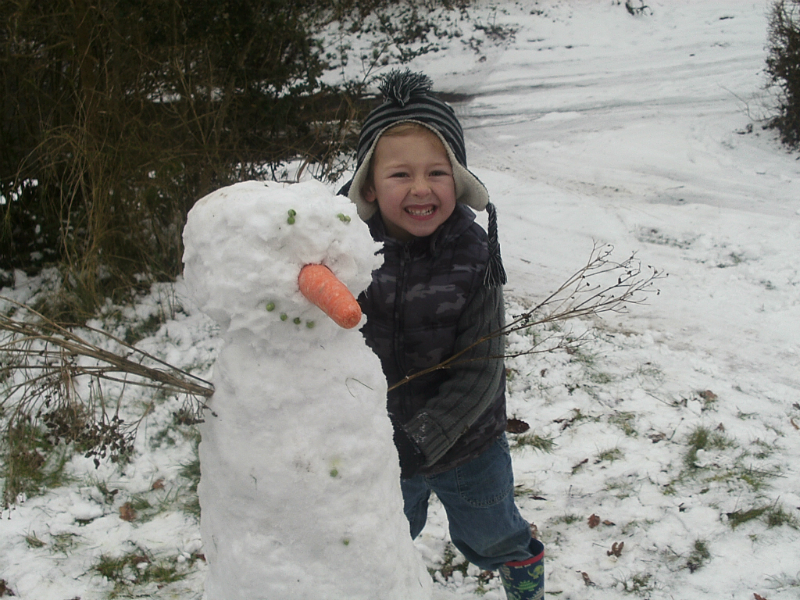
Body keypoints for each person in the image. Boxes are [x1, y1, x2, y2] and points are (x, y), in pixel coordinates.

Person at [338, 69, 544, 600]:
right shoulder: (346, 259)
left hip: (469, 447)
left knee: (494, 533)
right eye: (400, 175)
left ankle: (525, 586)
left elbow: (481, 368)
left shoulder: (474, 257)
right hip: (377, 445)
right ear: (367, 186)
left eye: (437, 172)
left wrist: (423, 436)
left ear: (459, 178)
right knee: (380, 538)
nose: (422, 188)